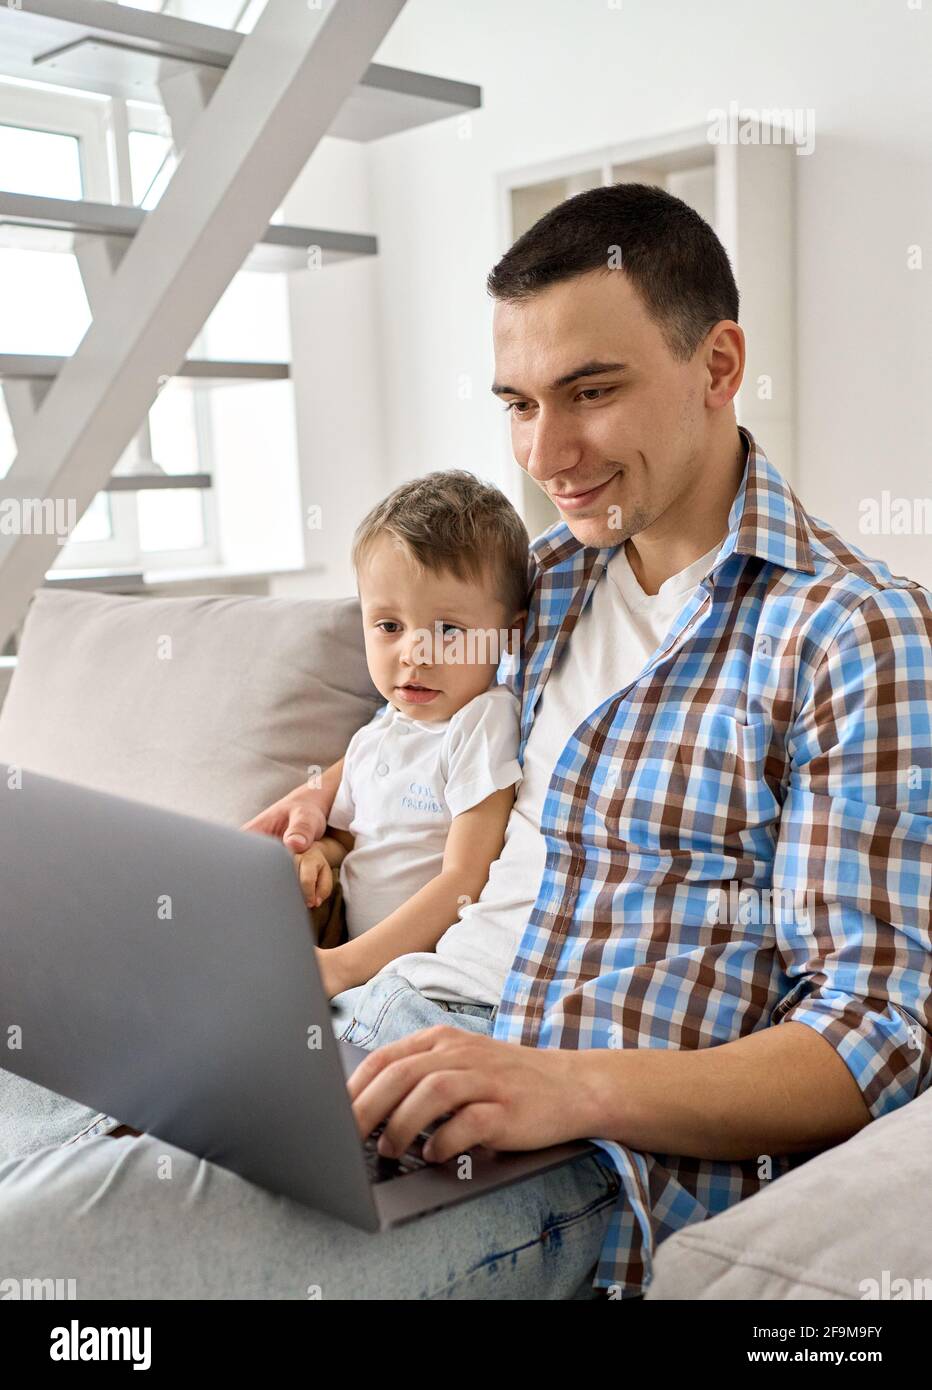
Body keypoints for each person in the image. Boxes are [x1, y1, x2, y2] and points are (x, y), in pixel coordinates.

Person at [1, 183, 929, 1300]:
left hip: (575, 1153)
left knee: (54, 1250)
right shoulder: (537, 583)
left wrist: (568, 1087)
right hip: (377, 1034)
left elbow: (877, 1031)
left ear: (718, 365)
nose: (547, 451)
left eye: (589, 391)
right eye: (518, 403)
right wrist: (320, 822)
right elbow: (415, 733)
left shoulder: (849, 629)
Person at [295, 469, 527, 1014]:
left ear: (510, 634)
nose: (414, 654)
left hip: (416, 985)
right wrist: (321, 859)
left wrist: (342, 966)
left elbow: (464, 880)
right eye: (389, 626)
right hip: (352, 969)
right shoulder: (377, 734)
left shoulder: (481, 721)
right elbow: (358, 841)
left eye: (448, 630)